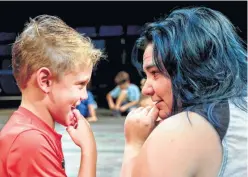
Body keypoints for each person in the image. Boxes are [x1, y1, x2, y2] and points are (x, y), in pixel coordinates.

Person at [121, 7, 247, 177]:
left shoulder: (178, 131)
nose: (146, 89)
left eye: (155, 73)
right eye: (146, 75)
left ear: (189, 68)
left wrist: (134, 145)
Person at [0, 15, 104, 177]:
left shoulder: (31, 132)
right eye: (80, 85)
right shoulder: (30, 142)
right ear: (45, 81)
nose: (84, 96)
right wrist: (89, 149)